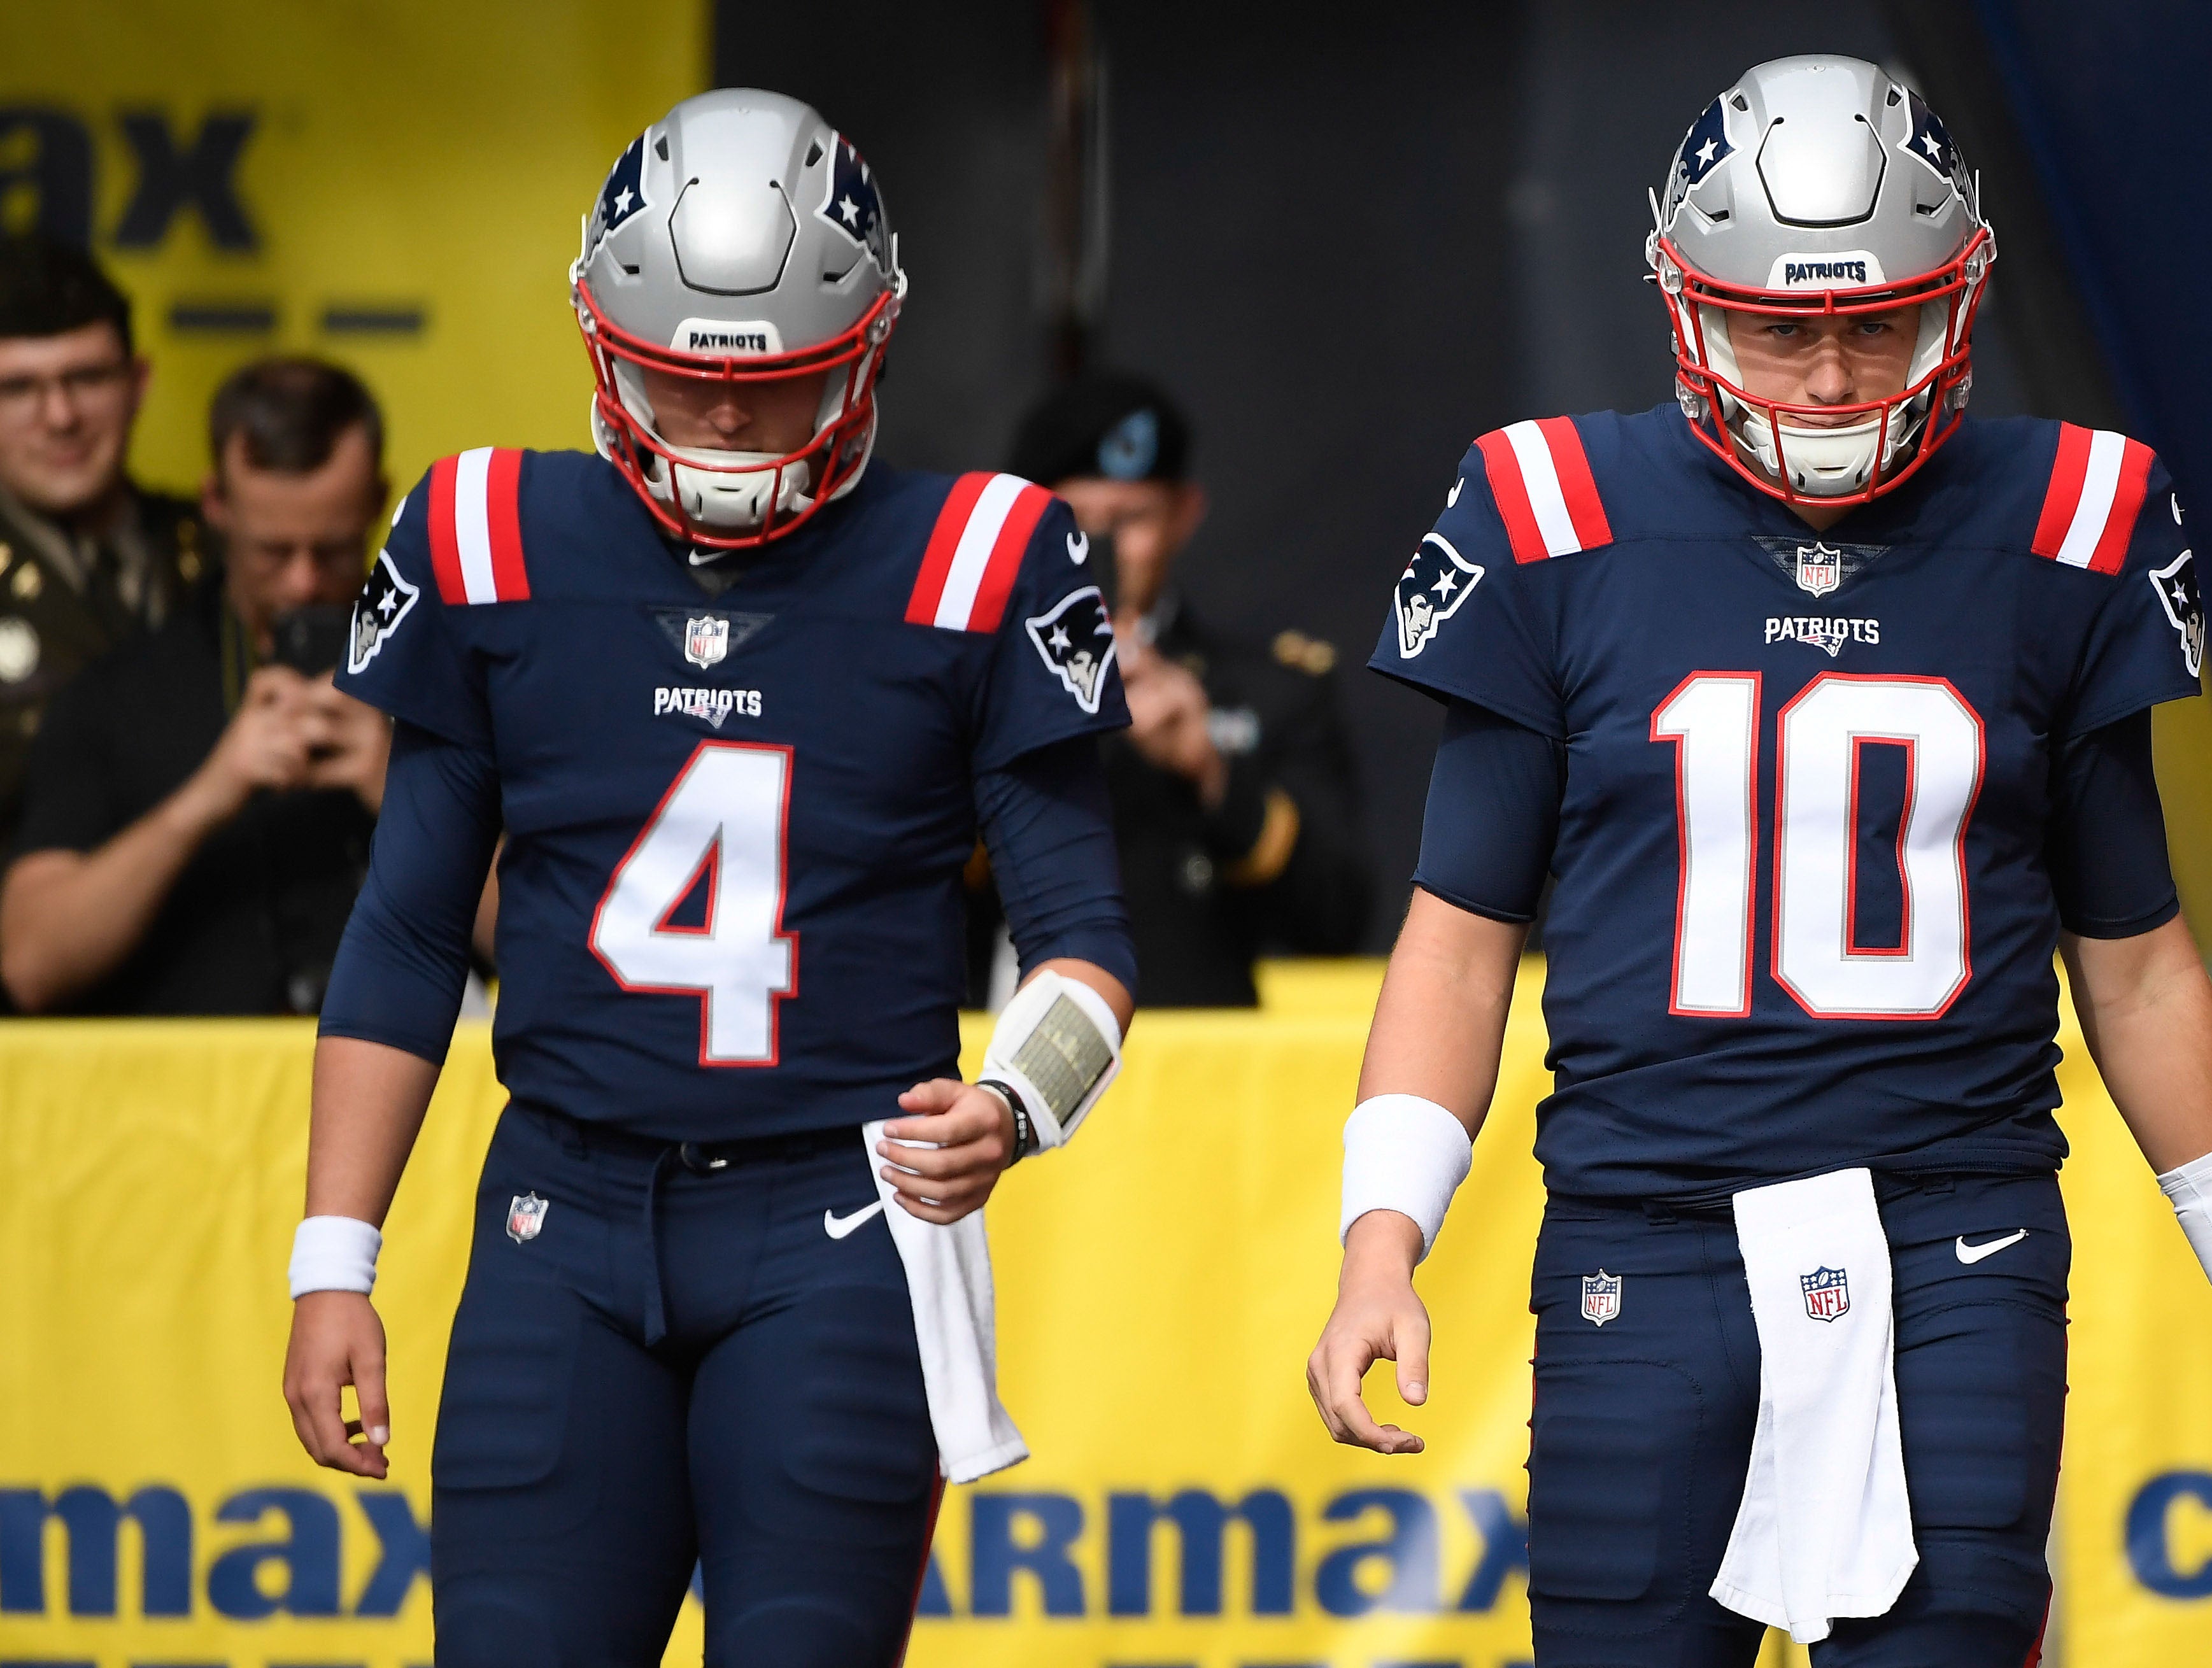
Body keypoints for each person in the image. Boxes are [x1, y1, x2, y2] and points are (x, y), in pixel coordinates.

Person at [1307, 55, 2212, 1665]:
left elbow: (2136, 964)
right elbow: (1456, 939)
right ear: (1685, 299)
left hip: (1957, 1246)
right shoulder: (1546, 514)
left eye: (1878, 319)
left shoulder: (2073, 518)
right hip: (1643, 1241)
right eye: (1782, 325)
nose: (1836, 374)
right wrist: (1385, 1235)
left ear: (1963, 295)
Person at [278, 90, 1136, 1667]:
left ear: (867, 345)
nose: (727, 427)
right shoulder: (483, 531)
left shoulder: (985, 556)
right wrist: (334, 1257)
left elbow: (1082, 936)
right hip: (561, 1212)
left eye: (779, 382)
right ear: (604, 340)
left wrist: (1017, 1101)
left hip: (842, 1225)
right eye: (681, 380)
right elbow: (404, 926)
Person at [1, 357, 390, 1015]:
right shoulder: (119, 695)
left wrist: (404, 789)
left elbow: (567, 937)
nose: (302, 582)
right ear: (216, 506)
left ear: (379, 503)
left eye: (332, 548)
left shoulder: (453, 681)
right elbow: (29, 965)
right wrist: (208, 796)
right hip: (182, 1110)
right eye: (273, 550)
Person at [991, 373, 1370, 1005]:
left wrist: (1214, 776)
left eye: (1130, 519)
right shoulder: (965, 675)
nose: (1100, 549)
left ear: (1184, 514)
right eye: (1075, 522)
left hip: (1185, 1082)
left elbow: (1339, 922)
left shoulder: (1268, 690)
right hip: (991, 1064)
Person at [0, 236, 211, 838]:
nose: (61, 417)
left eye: (87, 378)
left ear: (138, 384)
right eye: (19, 389)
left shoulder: (230, 554)